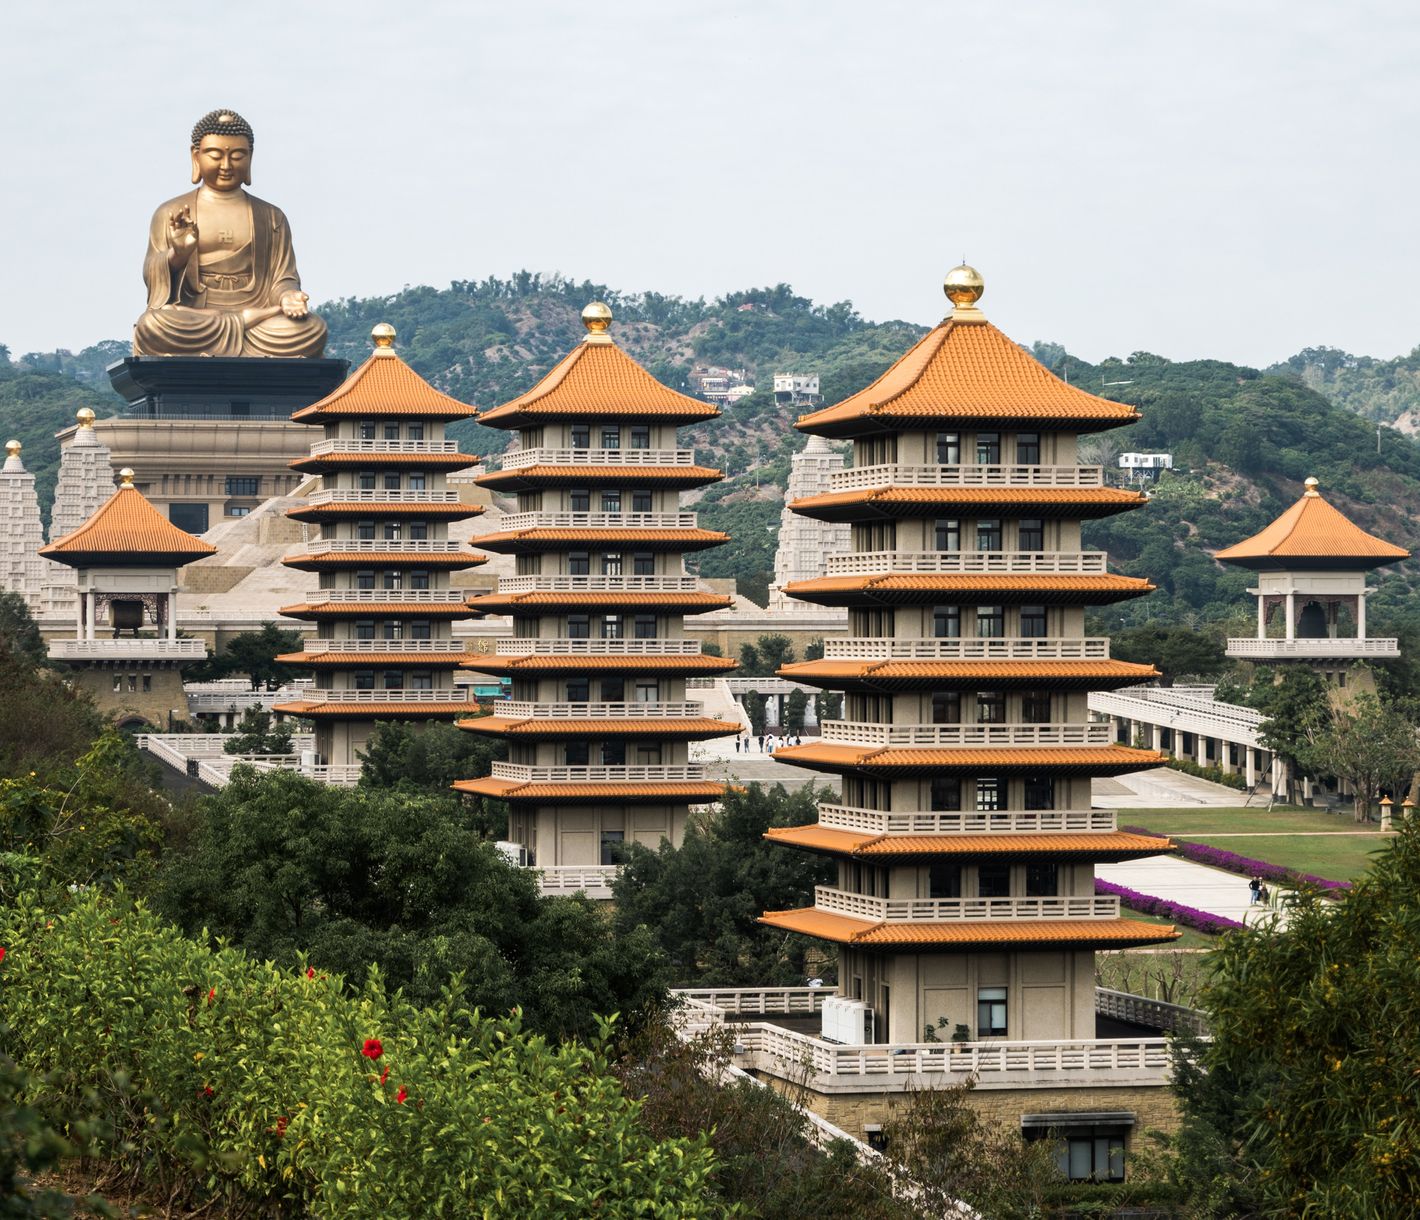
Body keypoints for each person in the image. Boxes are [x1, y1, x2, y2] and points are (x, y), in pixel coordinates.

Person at [132, 109, 327, 358]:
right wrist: (178, 254)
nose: (226, 165)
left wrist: (289, 296)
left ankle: (245, 324)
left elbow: (283, 277)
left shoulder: (271, 217)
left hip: (258, 321)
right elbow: (153, 277)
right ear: (196, 156)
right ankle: (241, 326)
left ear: (250, 158)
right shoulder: (172, 212)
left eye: (237, 156)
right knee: (154, 325)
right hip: (197, 315)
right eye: (215, 156)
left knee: (313, 329)